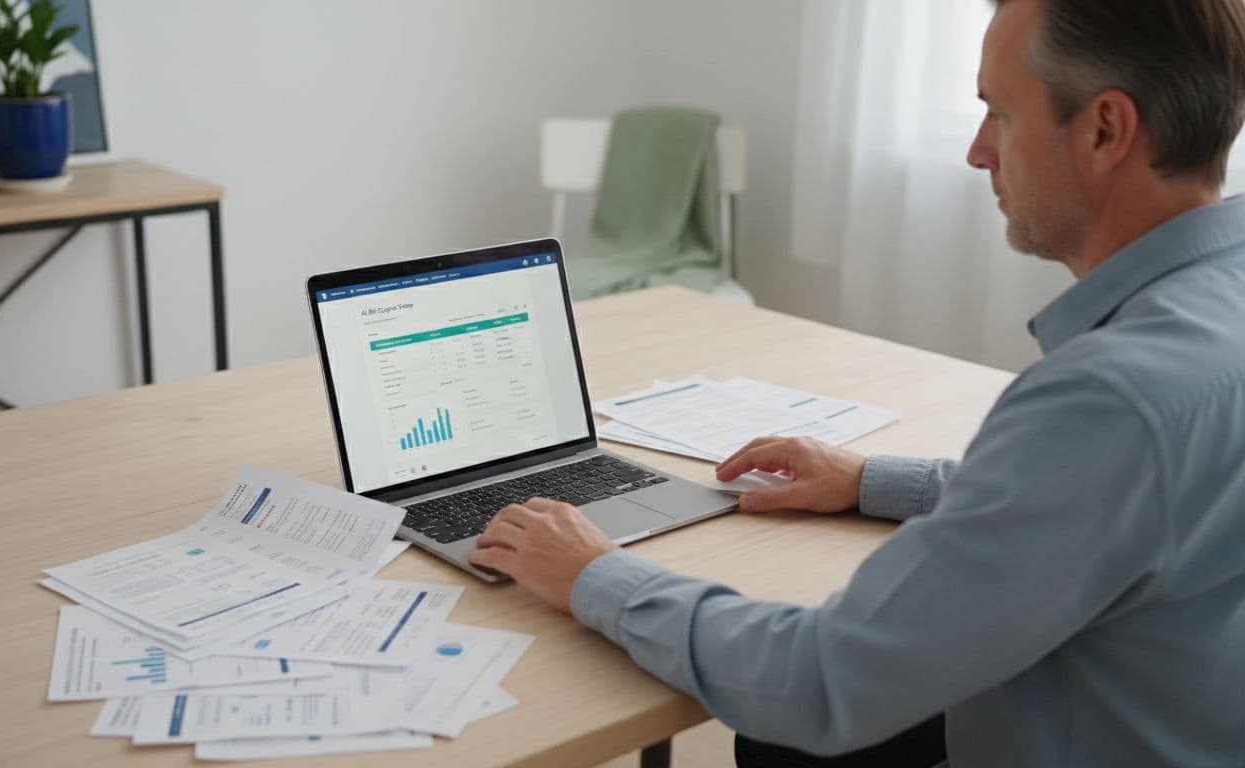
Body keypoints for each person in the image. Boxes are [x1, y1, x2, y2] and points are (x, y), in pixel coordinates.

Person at [471, 0, 1245, 765]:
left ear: (1106, 129)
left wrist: (594, 574)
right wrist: (868, 478)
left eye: (999, 115)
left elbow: (818, 683)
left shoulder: (1108, 399)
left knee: (783, 732)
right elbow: (1096, 496)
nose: (978, 153)